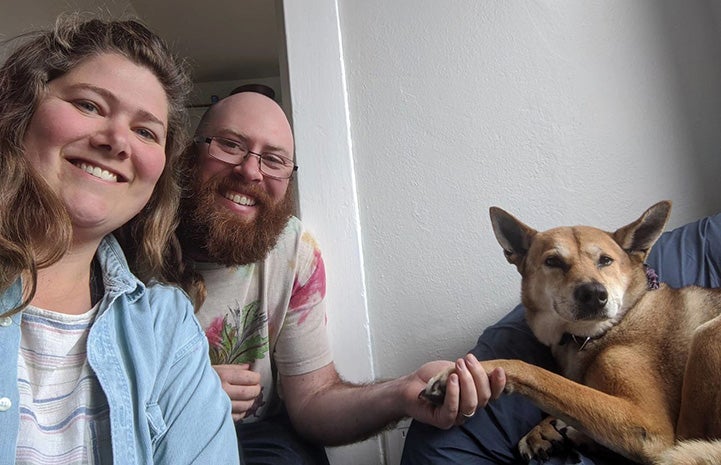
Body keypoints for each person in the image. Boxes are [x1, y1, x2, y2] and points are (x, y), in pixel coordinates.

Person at [175, 90, 507, 464]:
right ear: (190, 152)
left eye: (274, 160)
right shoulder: (133, 240)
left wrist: (401, 393)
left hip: (255, 440)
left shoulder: (294, 251)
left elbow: (313, 401)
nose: (251, 171)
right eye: (231, 145)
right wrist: (175, 394)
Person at [0, 15, 240, 464]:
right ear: (20, 108)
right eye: (90, 105)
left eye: (146, 131)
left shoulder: (167, 329)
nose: (117, 141)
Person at [400, 212, 721, 464]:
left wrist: (516, 374)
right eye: (555, 262)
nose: (589, 284)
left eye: (604, 261)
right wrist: (577, 422)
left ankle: (690, 444)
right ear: (522, 260)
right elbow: (631, 415)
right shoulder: (585, 347)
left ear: (634, 256)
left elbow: (649, 436)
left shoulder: (635, 333)